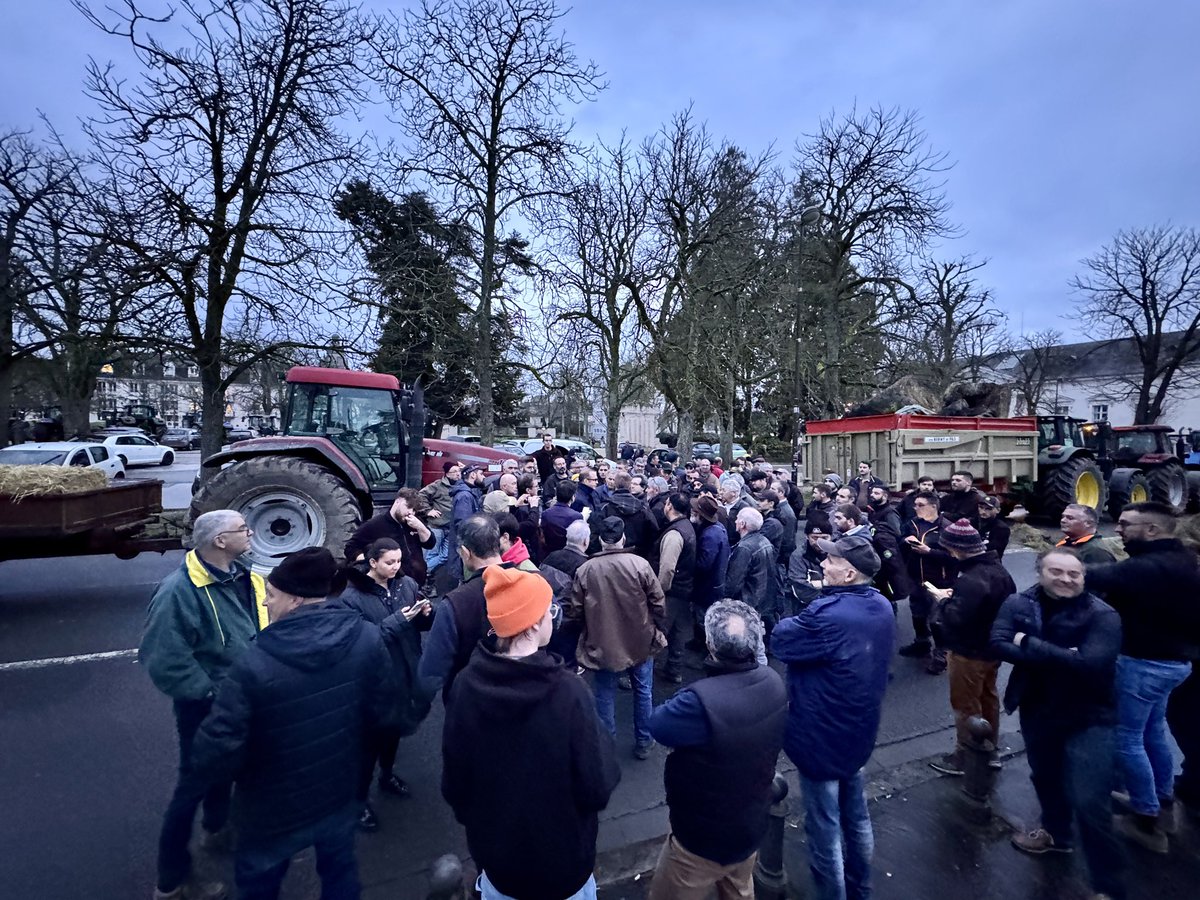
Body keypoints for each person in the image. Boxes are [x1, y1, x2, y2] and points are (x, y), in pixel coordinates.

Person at [191, 547, 393, 900]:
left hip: (270, 808)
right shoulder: (367, 638)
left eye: (271, 594)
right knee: (340, 877)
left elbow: (216, 749)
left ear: (296, 600)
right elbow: (384, 712)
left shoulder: (254, 661)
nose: (266, 603)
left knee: (259, 884)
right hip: (338, 794)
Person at [442, 566, 621, 900]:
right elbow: (598, 784)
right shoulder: (569, 692)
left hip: (498, 864)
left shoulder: (466, 685)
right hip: (563, 867)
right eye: (550, 610)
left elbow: (455, 784)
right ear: (535, 623)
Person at [140, 510, 265, 900]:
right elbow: (164, 658)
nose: (250, 532)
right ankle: (171, 881)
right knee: (189, 789)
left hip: (241, 698)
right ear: (219, 542)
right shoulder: (179, 590)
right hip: (206, 706)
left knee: (229, 768)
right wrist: (210, 694)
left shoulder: (245, 575)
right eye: (242, 528)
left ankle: (217, 829)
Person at [991, 548, 1126, 900]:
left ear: (1083, 577)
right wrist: (1066, 657)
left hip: (1090, 714)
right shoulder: (1019, 602)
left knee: (1090, 801)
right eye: (1056, 571)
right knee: (1045, 777)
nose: (1066, 579)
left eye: (1074, 574)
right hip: (1037, 708)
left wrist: (1031, 644)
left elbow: (1093, 665)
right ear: (1040, 572)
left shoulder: (1102, 614)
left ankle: (1109, 888)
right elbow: (999, 643)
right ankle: (1056, 835)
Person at [772, 534, 896, 900]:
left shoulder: (828, 617)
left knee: (824, 826)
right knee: (856, 816)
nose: (823, 564)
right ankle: (862, 888)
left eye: (832, 561)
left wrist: (807, 608)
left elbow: (782, 640)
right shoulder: (880, 604)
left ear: (849, 574)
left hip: (821, 733)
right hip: (858, 729)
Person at [648, 601, 786, 900]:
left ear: (710, 644)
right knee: (739, 890)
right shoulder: (773, 682)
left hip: (701, 839)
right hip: (750, 822)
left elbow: (657, 725)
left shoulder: (699, 702)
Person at [1084, 501, 1200, 852]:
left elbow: (1088, 577)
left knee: (1127, 739)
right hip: (1175, 664)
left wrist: (1053, 566)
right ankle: (1163, 804)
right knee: (1151, 733)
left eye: (1125, 524)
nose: (1117, 529)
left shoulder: (1147, 567)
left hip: (1143, 665)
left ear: (1151, 530)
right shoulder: (1183, 560)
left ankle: (1145, 820)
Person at [333, 539, 431, 831]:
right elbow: (359, 642)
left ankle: (387, 776)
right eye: (389, 562)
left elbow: (420, 627)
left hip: (404, 674)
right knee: (368, 746)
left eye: (399, 561)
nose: (396, 567)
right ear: (372, 562)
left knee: (393, 733)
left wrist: (427, 615)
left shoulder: (407, 585)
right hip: (374, 680)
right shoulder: (351, 598)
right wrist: (398, 621)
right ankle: (358, 800)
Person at [570, 516, 668, 760]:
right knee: (643, 690)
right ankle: (644, 740)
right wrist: (657, 624)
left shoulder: (585, 570)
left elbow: (575, 610)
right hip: (640, 638)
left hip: (602, 640)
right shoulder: (639, 564)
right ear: (623, 538)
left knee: (604, 693)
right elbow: (658, 602)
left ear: (600, 540)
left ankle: (607, 745)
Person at [926, 520, 1016, 776]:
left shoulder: (972, 578)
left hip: (968, 651)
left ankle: (964, 757)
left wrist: (944, 601)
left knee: (966, 704)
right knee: (988, 697)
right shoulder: (998, 571)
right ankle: (990, 749)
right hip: (992, 649)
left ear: (958, 549)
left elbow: (956, 618)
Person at [418, 515, 503, 701]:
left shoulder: (455, 602)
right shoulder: (531, 581)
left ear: (465, 552)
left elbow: (431, 673)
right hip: (518, 697)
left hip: (469, 700)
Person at [900, 490, 955, 674]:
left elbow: (955, 558)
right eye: (915, 505)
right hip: (916, 579)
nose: (915, 508)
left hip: (939, 582)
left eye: (920, 505)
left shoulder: (947, 528)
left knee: (937, 620)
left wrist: (929, 551)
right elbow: (900, 542)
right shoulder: (913, 524)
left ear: (933, 506)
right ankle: (921, 643)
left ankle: (941, 655)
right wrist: (906, 542)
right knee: (917, 614)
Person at [344, 487, 436, 586]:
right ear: (398, 501)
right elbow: (350, 547)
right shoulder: (375, 524)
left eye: (414, 510)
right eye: (408, 507)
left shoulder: (414, 522)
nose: (411, 513)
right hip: (392, 584)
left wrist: (420, 527)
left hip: (416, 584)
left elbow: (430, 543)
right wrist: (368, 563)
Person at [656, 493, 697, 684]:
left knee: (658, 631)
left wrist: (659, 590)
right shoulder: (687, 526)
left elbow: (667, 568)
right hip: (685, 588)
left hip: (671, 592)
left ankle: (642, 673)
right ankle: (674, 669)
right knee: (678, 632)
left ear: (669, 506)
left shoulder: (674, 534)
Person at [602, 471, 659, 558]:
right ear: (629, 486)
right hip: (637, 557)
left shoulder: (605, 507)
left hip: (609, 555)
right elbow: (653, 533)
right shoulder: (643, 508)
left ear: (615, 485)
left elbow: (595, 532)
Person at [692, 494, 731, 619]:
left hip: (707, 588)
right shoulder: (718, 528)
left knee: (704, 620)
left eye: (695, 511)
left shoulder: (710, 535)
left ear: (700, 515)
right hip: (714, 585)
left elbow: (704, 564)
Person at [541, 479, 584, 554]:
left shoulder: (545, 514)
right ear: (573, 497)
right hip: (569, 554)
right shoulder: (576, 516)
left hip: (549, 553)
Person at [977, 494, 1010, 559]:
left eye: (988, 509)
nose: (983, 512)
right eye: (981, 507)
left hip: (990, 564)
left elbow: (993, 550)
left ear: (998, 510)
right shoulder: (973, 522)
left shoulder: (1001, 528)